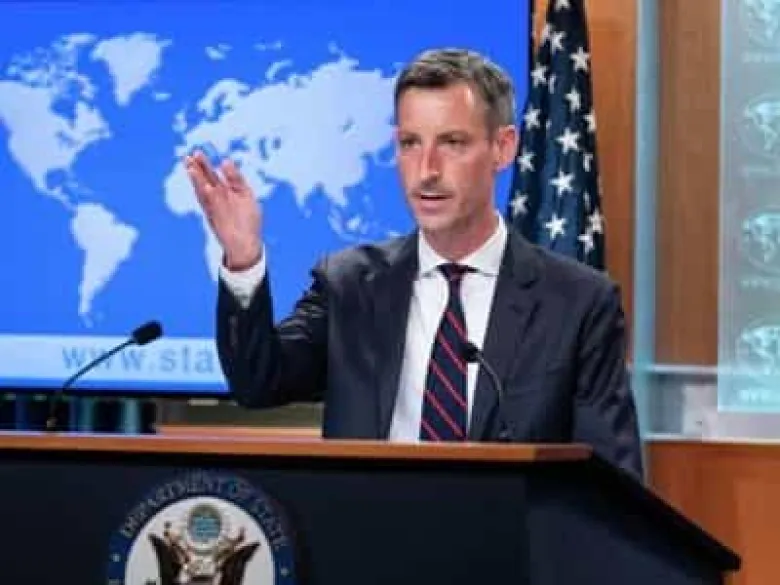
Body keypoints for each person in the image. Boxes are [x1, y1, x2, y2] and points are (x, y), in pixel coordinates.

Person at [185, 48, 644, 480]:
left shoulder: (577, 303)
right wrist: (243, 258)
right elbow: (258, 382)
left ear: (503, 148)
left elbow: (611, 482)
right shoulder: (350, 285)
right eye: (410, 143)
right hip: (371, 532)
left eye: (453, 143)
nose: (427, 170)